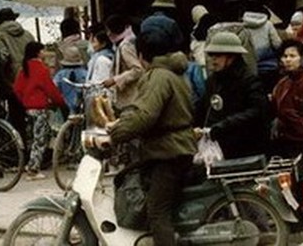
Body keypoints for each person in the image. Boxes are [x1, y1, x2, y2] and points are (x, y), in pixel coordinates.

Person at [105, 26, 198, 246]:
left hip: (168, 152)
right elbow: (143, 111)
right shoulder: (174, 74)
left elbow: (145, 116)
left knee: (157, 212)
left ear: (141, 55)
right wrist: (122, 121)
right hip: (176, 147)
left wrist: (115, 135)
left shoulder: (157, 77)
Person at [198, 31, 270, 158]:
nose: (213, 59)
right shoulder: (212, 81)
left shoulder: (249, 80)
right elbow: (205, 107)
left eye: (218, 55)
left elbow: (257, 111)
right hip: (219, 146)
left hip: (247, 147)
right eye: (211, 55)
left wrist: (224, 125)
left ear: (231, 57)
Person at [14, 40, 67, 175]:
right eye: (42, 51)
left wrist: (25, 100)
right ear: (38, 53)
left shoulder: (23, 68)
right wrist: (60, 102)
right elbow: (50, 89)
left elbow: (17, 89)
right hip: (40, 108)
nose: (44, 53)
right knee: (40, 139)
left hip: (28, 107)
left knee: (32, 137)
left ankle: (30, 163)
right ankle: (33, 168)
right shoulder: (42, 69)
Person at [0, 6, 33, 134]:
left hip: (12, 83)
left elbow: (2, 57)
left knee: (16, 117)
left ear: (0, 22)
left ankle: (20, 148)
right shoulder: (28, 34)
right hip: (30, 80)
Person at [103, 14, 144, 111]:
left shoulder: (125, 46)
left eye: (109, 30)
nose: (108, 34)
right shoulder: (126, 42)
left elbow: (138, 69)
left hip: (131, 97)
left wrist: (115, 80)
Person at [241, 4, 282, 88]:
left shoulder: (243, 26)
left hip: (251, 68)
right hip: (269, 67)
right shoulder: (268, 24)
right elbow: (277, 44)